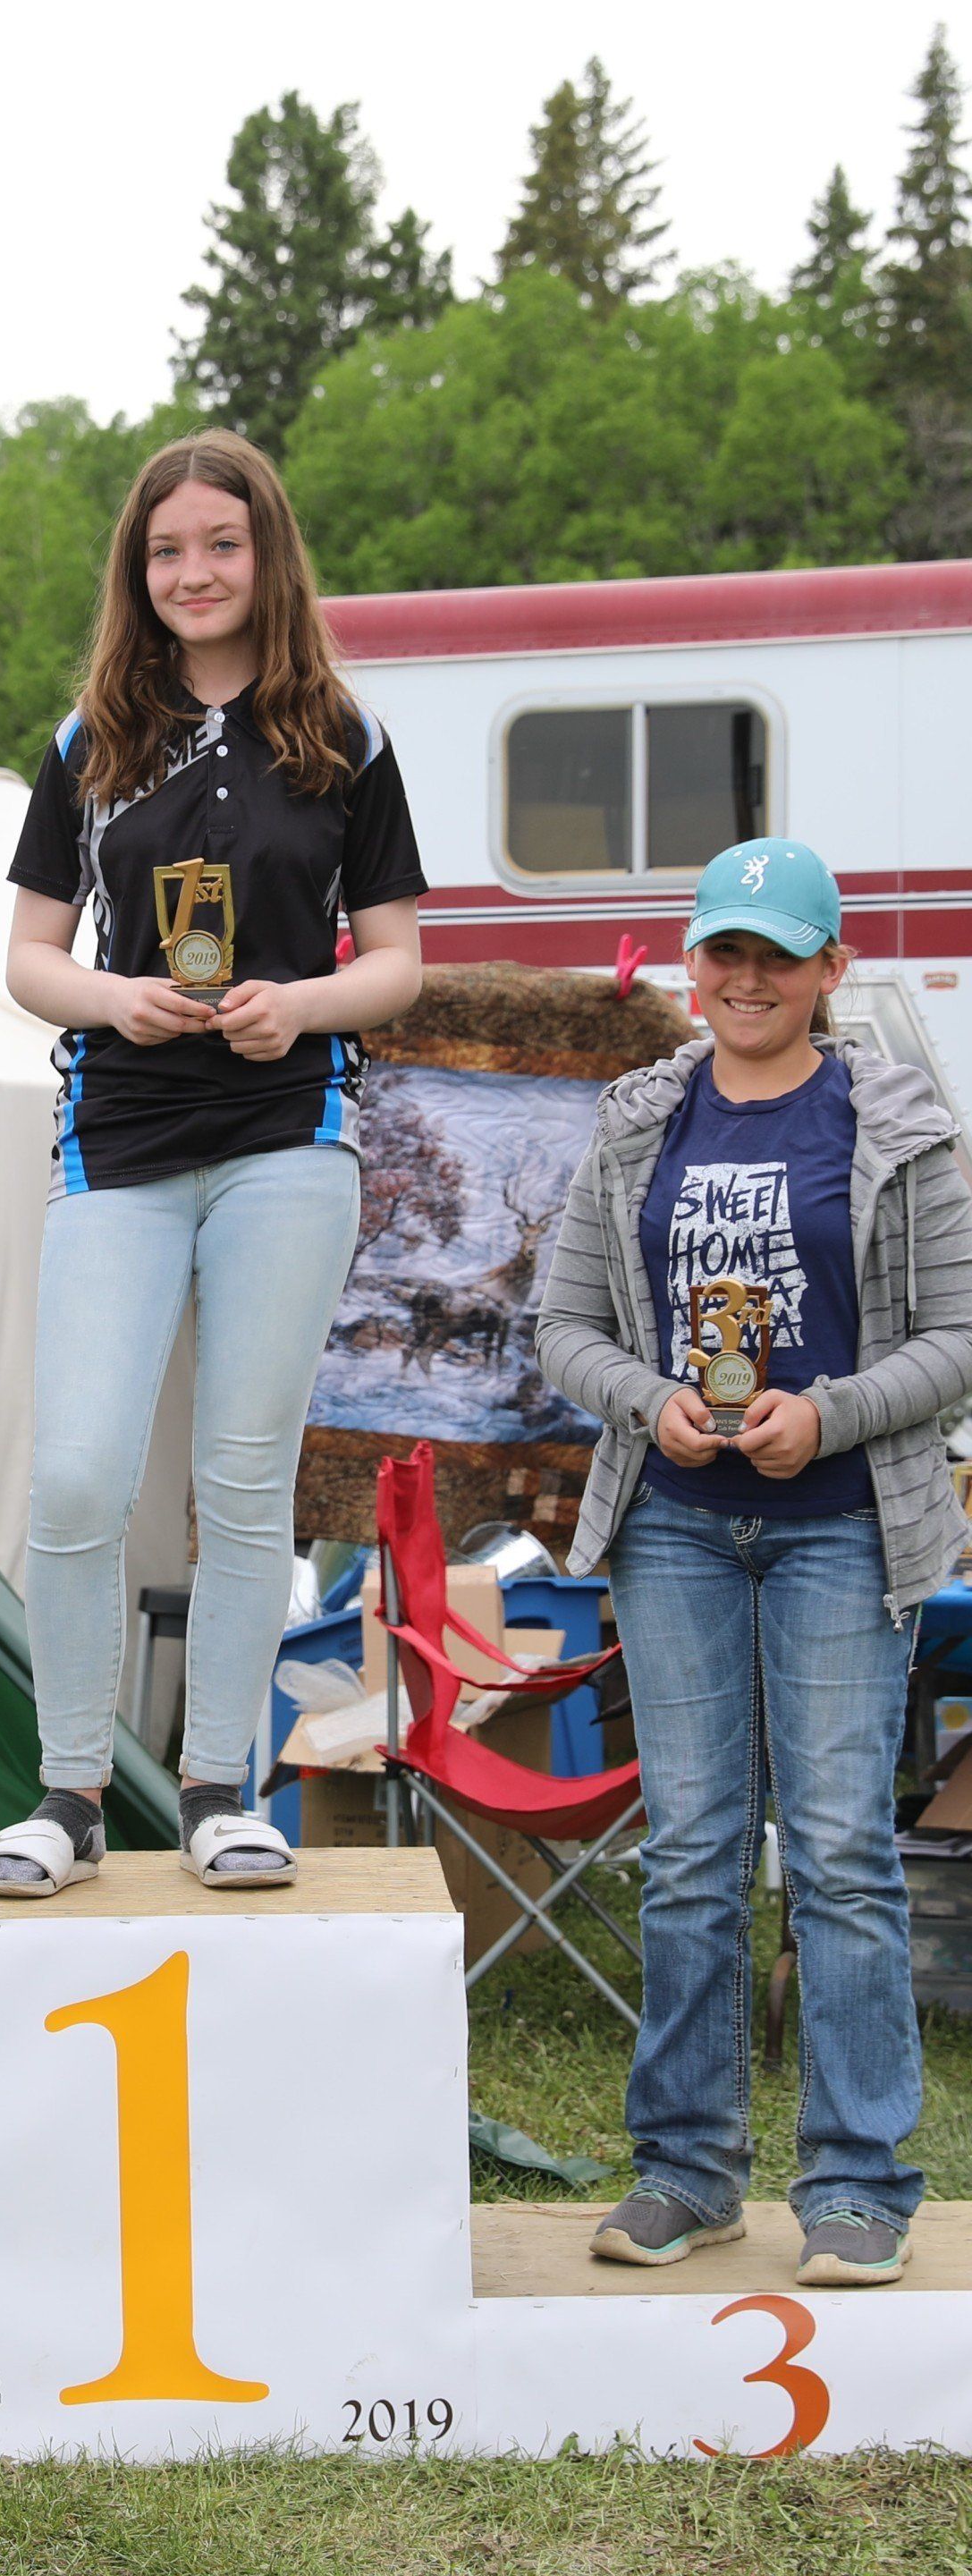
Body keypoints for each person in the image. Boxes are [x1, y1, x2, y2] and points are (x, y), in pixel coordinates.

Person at [0, 429, 425, 1897]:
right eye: (167, 551)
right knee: (82, 1474)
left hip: (290, 1138)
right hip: (119, 1138)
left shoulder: (343, 736)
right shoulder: (89, 736)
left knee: (242, 1480)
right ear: (137, 569)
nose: (194, 572)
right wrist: (118, 998)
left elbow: (402, 963)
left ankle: (224, 1791)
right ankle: (70, 1795)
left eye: (220, 545)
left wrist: (297, 1002)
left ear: (265, 554)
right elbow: (34, 958)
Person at [537, 838, 972, 2287]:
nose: (745, 978)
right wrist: (646, 1399)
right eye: (724, 950)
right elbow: (566, 1328)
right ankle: (688, 2170)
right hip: (671, 1522)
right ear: (694, 962)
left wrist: (828, 1415)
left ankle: (857, 2186)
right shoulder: (636, 1121)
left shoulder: (905, 1124)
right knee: (693, 1855)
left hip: (844, 1528)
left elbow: (958, 1345)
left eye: (777, 955)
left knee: (843, 1853)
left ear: (830, 971)